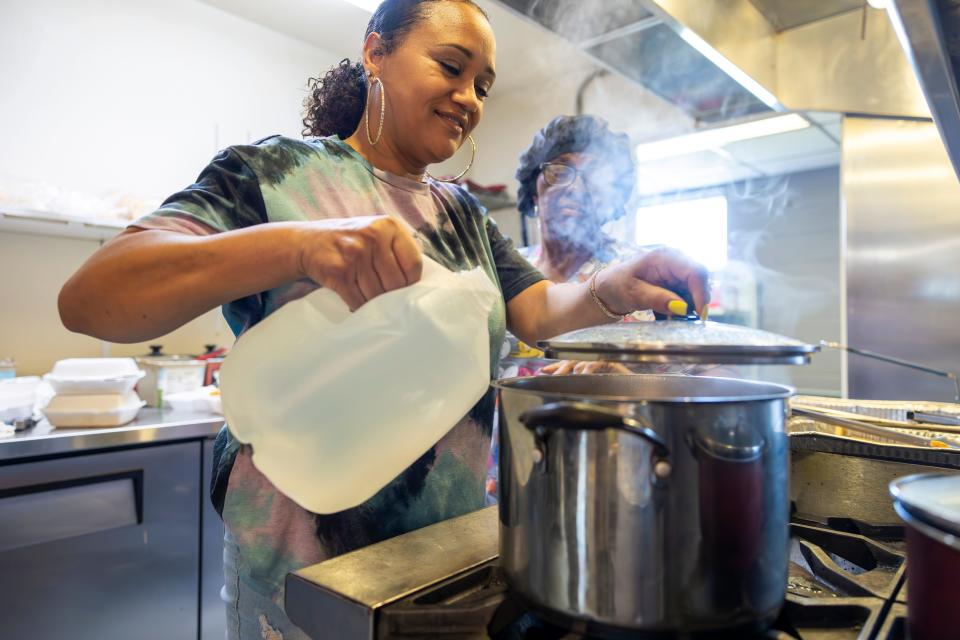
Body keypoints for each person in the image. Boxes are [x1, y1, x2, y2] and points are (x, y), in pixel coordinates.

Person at [57, 1, 709, 638]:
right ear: (376, 50)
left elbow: (539, 312)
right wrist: (302, 245)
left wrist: (611, 289)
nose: (469, 97)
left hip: (444, 558)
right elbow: (93, 297)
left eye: (482, 84)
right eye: (451, 66)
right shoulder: (276, 173)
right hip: (304, 571)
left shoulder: (465, 217)